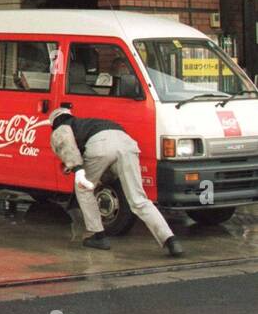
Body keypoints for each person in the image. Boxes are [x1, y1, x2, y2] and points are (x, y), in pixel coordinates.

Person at [48, 106, 182, 256]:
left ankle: (97, 235)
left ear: (54, 122)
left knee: (83, 189)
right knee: (139, 199)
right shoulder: (90, 122)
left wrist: (76, 168)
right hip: (127, 144)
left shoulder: (62, 127)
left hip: (100, 145)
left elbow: (66, 145)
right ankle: (170, 240)